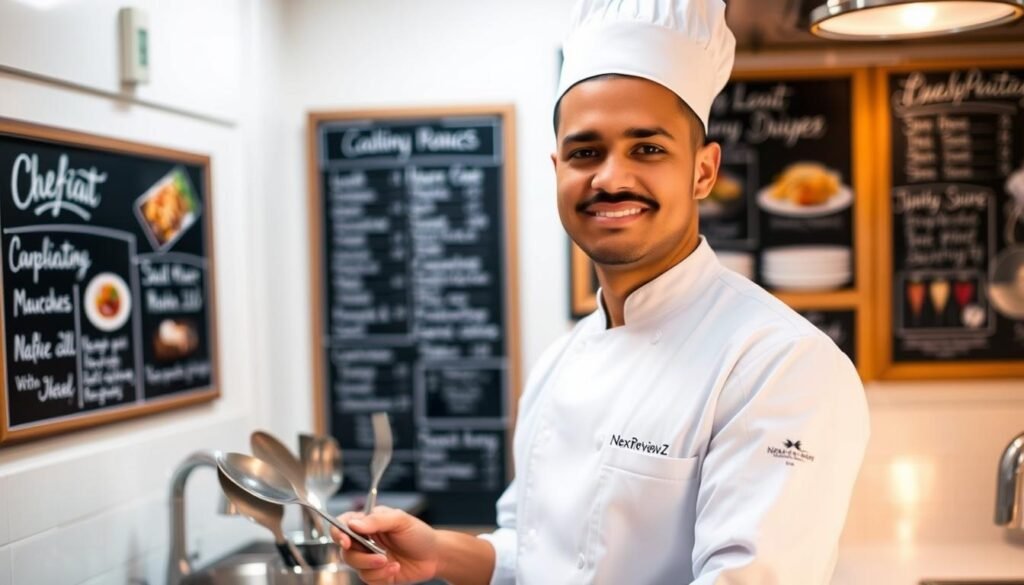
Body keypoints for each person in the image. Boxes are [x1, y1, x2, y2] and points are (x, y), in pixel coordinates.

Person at [332, 0, 870, 583]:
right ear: (557, 167)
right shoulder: (560, 362)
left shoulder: (778, 363)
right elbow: (534, 552)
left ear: (704, 172)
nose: (611, 178)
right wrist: (439, 552)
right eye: (586, 152)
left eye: (648, 148)